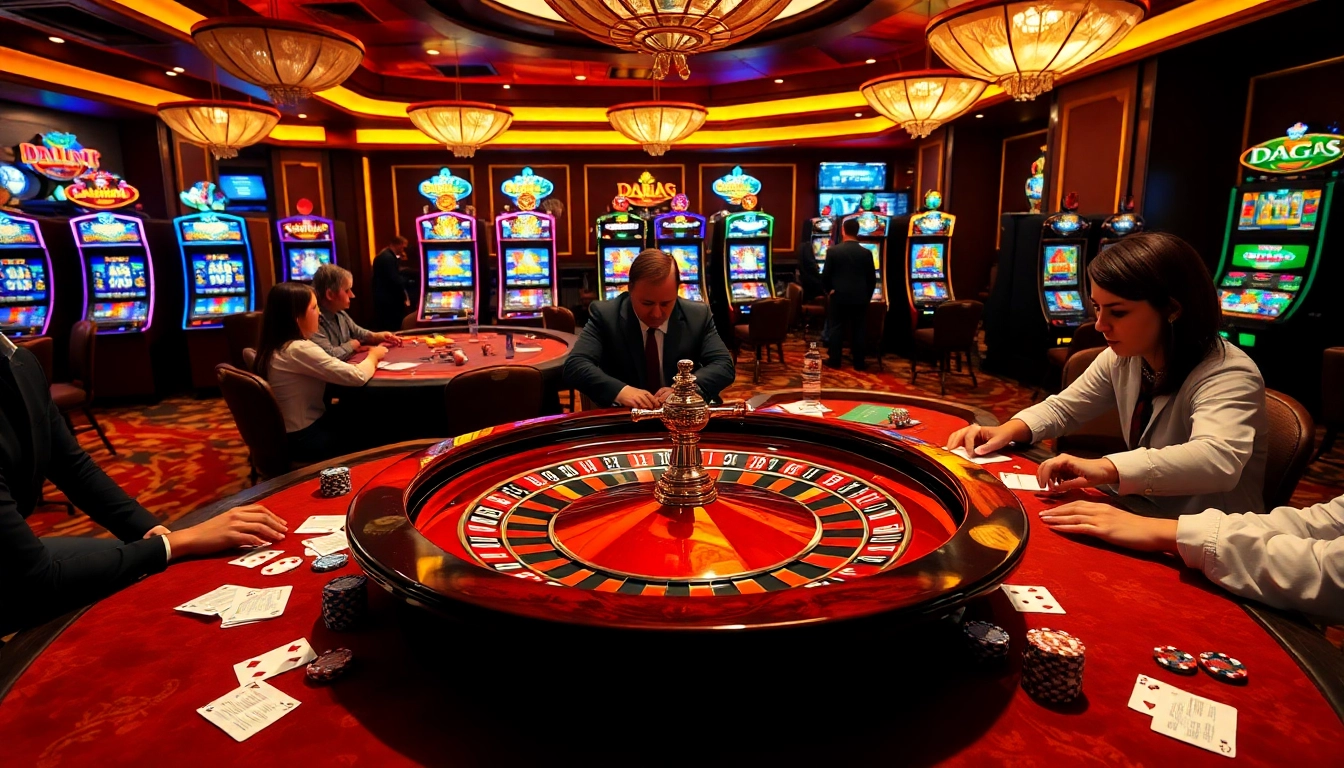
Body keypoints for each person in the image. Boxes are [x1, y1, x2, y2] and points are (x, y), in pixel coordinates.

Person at [946, 232, 1267, 518]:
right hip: (1144, 511)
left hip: (1208, 537)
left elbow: (1217, 461)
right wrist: (1008, 429)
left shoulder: (1228, 373)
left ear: (1172, 310)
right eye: (1097, 308)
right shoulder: (1125, 357)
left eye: (1118, 312)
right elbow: (1065, 408)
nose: (1100, 325)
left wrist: (1108, 467)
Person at [0, 332, 288, 634]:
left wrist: (152, 532)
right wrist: (178, 542)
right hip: (20, 574)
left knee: (145, 566)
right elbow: (36, 582)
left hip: (18, 557)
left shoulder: (19, 360)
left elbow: (73, 467)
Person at [1037, 495, 1344, 621]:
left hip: (1204, 511)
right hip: (1211, 528)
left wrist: (1172, 532)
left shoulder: (1230, 379)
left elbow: (1328, 572)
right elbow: (1321, 523)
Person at [564, 249, 734, 408]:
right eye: (647, 303)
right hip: (627, 417)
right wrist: (621, 391)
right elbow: (575, 365)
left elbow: (724, 365)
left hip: (682, 414)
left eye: (665, 303)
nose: (656, 313)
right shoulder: (606, 315)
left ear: (677, 292)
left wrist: (684, 389)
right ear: (630, 289)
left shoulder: (697, 315)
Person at [255, 282, 386, 462]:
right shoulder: (297, 349)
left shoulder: (274, 345)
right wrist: (374, 355)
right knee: (372, 424)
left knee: (356, 411)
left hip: (288, 434)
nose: (319, 313)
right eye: (314, 308)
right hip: (304, 438)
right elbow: (358, 376)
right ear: (296, 317)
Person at [310, 264, 402, 361]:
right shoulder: (313, 321)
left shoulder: (339, 313)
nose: (352, 295)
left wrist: (378, 336)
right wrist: (352, 345)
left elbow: (359, 333)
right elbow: (328, 357)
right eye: (347, 291)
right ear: (330, 294)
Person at [821, 216, 877, 370]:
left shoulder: (833, 251)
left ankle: (835, 360)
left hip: (839, 295)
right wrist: (867, 296)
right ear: (857, 232)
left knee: (836, 328)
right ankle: (859, 362)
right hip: (860, 297)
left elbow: (825, 276)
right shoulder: (866, 253)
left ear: (843, 231)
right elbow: (872, 279)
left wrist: (829, 291)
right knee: (859, 329)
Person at [371, 235, 411, 332]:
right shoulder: (388, 258)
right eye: (403, 247)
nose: (403, 250)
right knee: (392, 327)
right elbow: (394, 279)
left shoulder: (385, 254)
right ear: (398, 244)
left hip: (383, 297)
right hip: (389, 300)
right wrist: (409, 281)